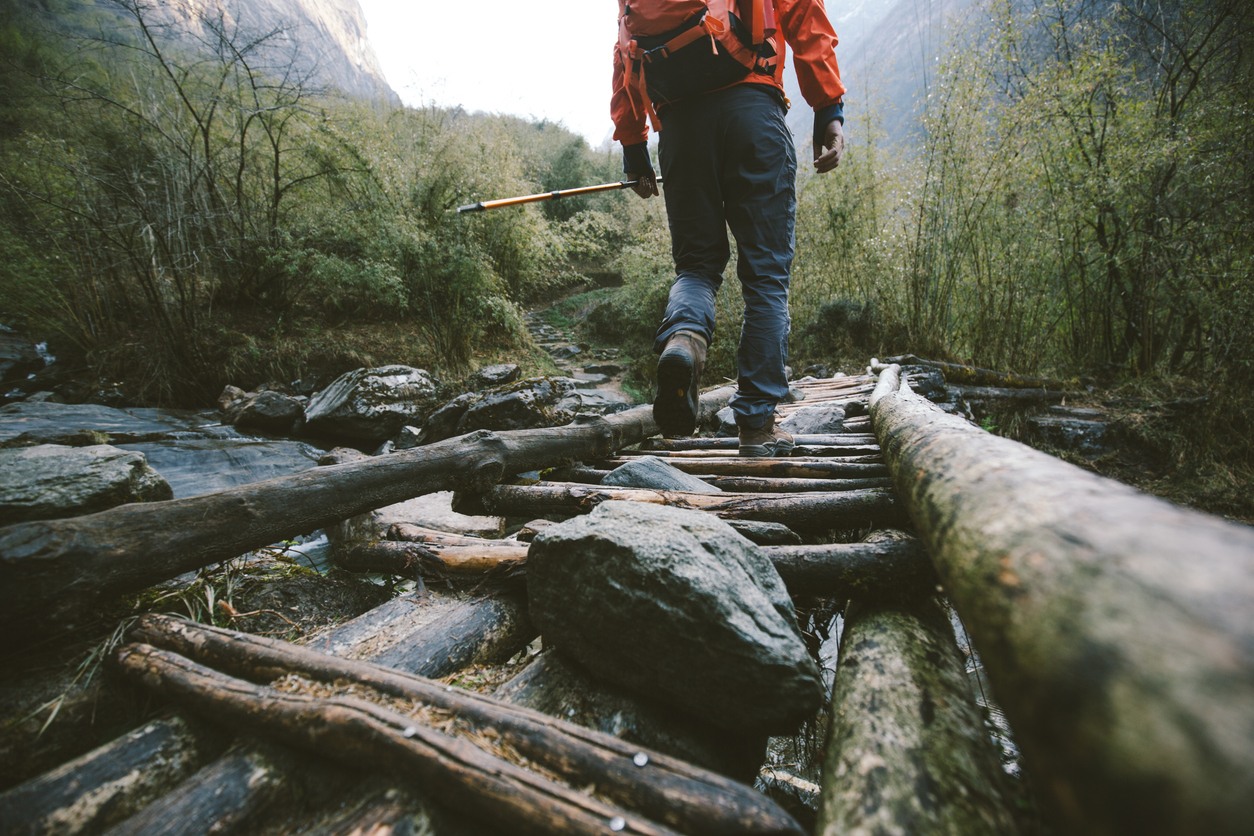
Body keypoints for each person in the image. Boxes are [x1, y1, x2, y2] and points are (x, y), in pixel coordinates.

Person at [611, 0, 846, 456]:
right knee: (766, 277)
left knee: (696, 267)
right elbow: (802, 13)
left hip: (679, 126)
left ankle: (684, 339)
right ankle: (756, 426)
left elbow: (624, 48)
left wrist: (633, 144)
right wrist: (827, 108)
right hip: (751, 110)